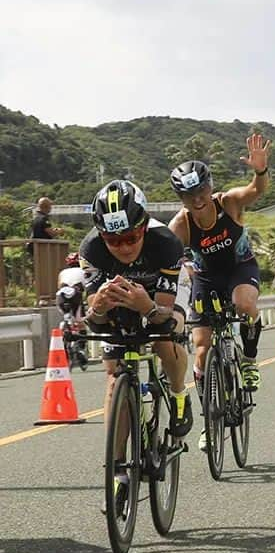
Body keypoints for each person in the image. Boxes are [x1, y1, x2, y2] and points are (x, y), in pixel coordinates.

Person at [81, 180, 191, 509]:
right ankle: (118, 474)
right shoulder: (92, 251)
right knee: (114, 375)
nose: (124, 247)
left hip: (159, 297)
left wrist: (147, 307)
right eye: (114, 240)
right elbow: (95, 320)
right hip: (122, 301)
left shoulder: (166, 243)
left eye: (131, 237)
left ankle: (178, 392)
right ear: (102, 237)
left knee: (164, 340)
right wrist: (97, 306)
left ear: (144, 226)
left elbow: (167, 317)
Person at [168, 132, 271, 430]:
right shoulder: (180, 225)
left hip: (240, 268)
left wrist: (260, 169)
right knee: (201, 350)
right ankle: (210, 423)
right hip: (207, 278)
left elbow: (256, 189)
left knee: (243, 303)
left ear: (209, 187)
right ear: (181, 199)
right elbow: (165, 257)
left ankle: (249, 361)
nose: (198, 200)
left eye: (201, 191)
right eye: (189, 196)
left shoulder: (229, 203)